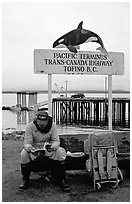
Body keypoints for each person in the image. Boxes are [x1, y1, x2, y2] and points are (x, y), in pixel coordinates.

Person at [19, 108, 70, 192]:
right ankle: (25, 178)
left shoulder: (52, 125)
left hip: (48, 147)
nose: (42, 126)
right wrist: (29, 148)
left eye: (44, 124)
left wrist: (53, 147)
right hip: (34, 147)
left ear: (47, 121)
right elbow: (27, 142)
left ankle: (62, 179)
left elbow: (56, 140)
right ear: (36, 121)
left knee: (60, 152)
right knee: (24, 154)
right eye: (40, 124)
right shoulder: (30, 126)